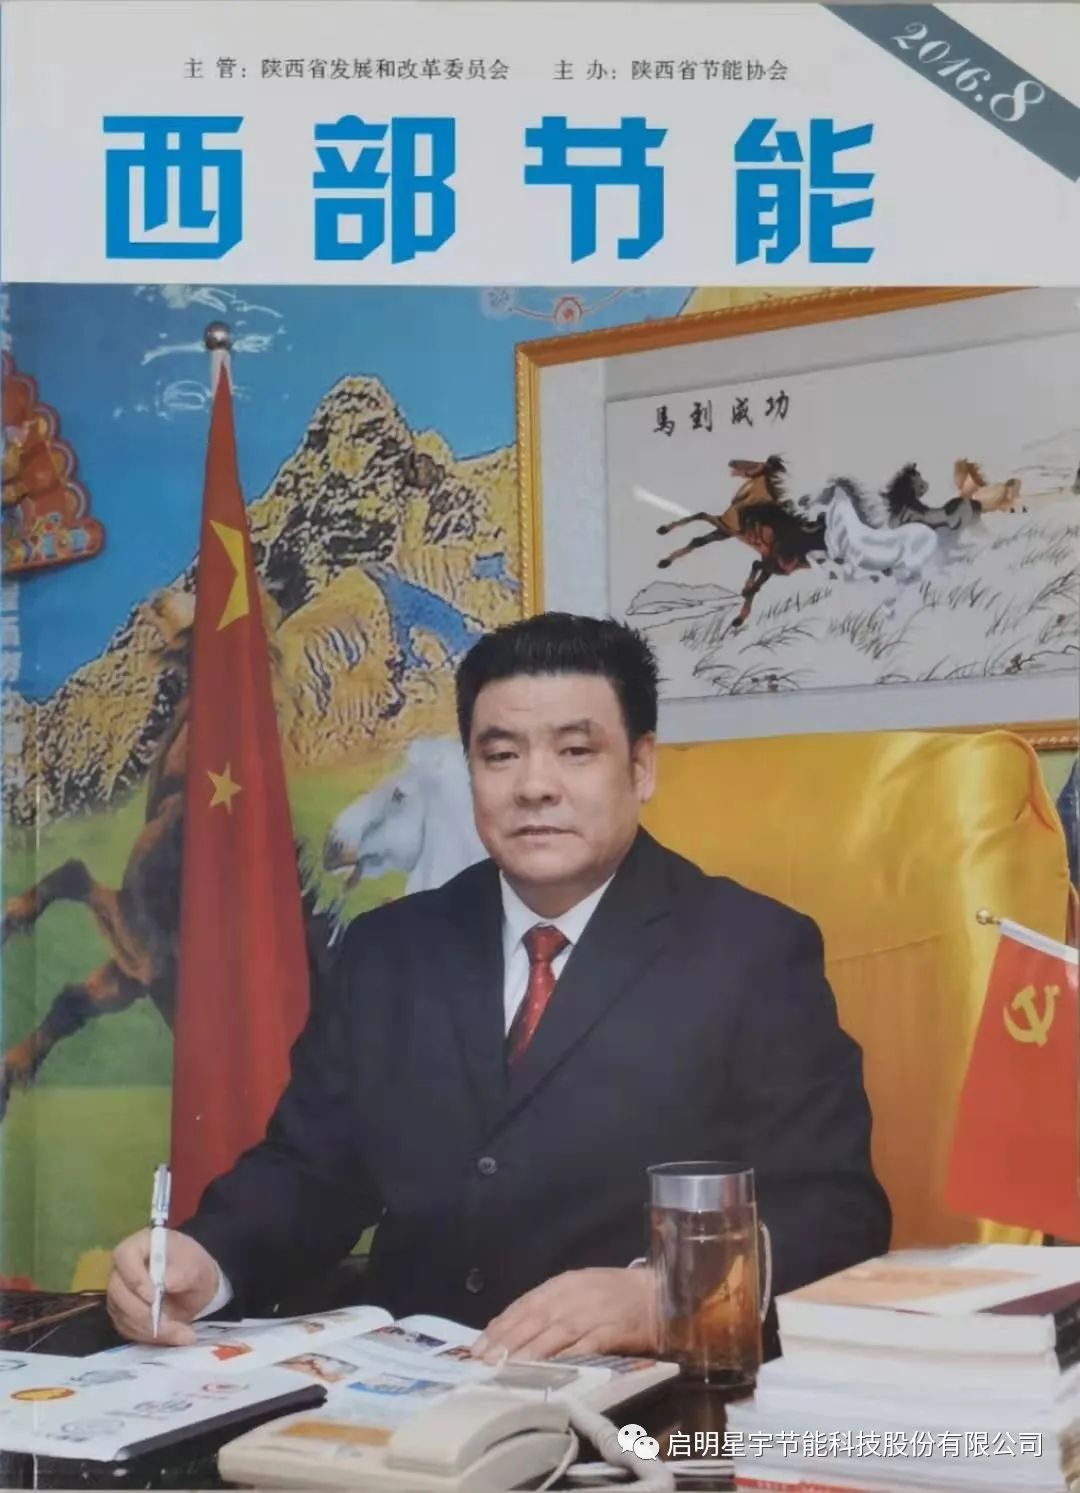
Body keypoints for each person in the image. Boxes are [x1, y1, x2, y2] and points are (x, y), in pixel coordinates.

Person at [107, 612, 891, 1361]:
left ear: (641, 766)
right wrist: (208, 1261)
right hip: (410, 1403)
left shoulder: (750, 950)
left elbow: (836, 1214)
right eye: (501, 754)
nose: (534, 786)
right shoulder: (390, 950)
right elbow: (310, 1171)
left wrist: (665, 1294)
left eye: (576, 751)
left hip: (637, 1404)